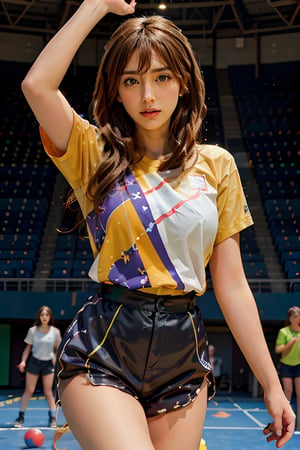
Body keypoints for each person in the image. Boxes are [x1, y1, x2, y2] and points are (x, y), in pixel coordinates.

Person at [21, 0, 295, 448]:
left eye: (161, 77)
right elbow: (37, 86)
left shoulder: (218, 166)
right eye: (132, 81)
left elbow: (232, 284)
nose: (148, 95)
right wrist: (95, 6)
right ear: (117, 91)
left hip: (182, 353)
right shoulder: (93, 153)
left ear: (183, 83)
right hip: (106, 345)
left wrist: (270, 384)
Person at [14, 305, 61, 428]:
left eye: (47, 315)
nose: (44, 317)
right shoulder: (32, 331)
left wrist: (58, 363)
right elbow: (27, 348)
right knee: (29, 390)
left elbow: (57, 350)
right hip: (34, 362)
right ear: (39, 317)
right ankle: (20, 418)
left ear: (50, 317)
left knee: (48, 392)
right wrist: (23, 361)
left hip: (48, 363)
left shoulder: (55, 332)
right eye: (42, 315)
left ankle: (52, 419)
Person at [275, 306, 300, 430]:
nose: (298, 318)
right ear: (290, 318)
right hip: (286, 365)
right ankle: (284, 423)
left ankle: (299, 425)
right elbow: (278, 349)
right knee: (288, 393)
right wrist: (292, 342)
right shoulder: (284, 332)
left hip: (298, 366)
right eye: (295, 316)